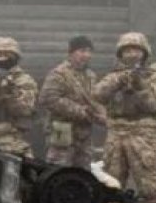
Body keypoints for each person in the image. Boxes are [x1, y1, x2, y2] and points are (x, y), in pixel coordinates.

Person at [93, 32, 156, 203]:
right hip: (116, 133)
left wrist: (139, 85)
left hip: (144, 134)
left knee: (150, 188)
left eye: (135, 50)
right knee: (111, 186)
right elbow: (98, 94)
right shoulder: (115, 75)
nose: (131, 54)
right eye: (126, 50)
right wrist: (119, 80)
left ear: (144, 53)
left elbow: (154, 105)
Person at [38, 36, 105, 167]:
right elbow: (48, 98)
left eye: (88, 51)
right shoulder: (58, 74)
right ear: (71, 53)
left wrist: (101, 114)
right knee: (58, 171)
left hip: (83, 135)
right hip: (62, 133)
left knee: (83, 175)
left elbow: (95, 99)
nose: (85, 55)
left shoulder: (90, 76)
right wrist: (80, 111)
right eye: (81, 51)